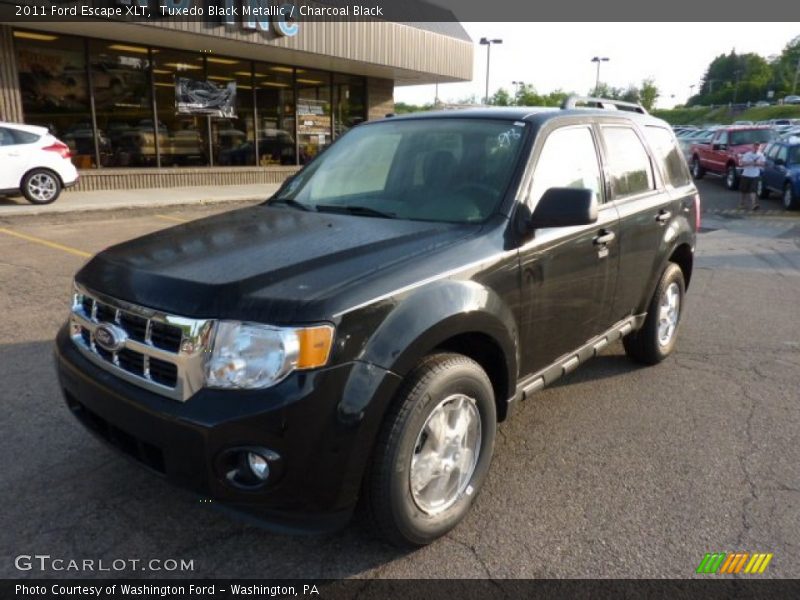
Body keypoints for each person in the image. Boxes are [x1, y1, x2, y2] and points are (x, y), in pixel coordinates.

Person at [739, 142, 766, 210]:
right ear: (752, 147)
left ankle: (754, 204)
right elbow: (742, 163)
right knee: (744, 191)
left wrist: (758, 164)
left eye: (758, 148)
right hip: (746, 175)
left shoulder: (761, 155)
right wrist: (751, 163)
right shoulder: (747, 154)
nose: (756, 149)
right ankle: (742, 203)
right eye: (755, 147)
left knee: (753, 190)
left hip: (755, 175)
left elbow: (763, 164)